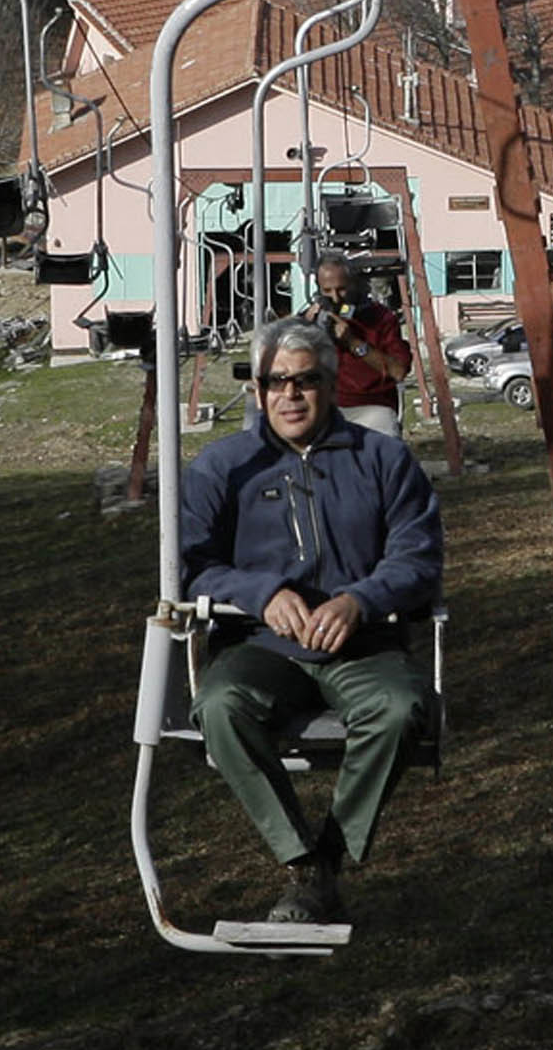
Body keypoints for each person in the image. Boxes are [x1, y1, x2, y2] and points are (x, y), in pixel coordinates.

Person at [178, 315, 444, 926]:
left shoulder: (383, 460)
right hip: (262, 645)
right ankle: (300, 860)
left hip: (361, 643)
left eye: (306, 381)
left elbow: (418, 554)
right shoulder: (224, 468)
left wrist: (361, 600)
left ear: (332, 383)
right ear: (256, 390)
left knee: (400, 709)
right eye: (277, 383)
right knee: (220, 706)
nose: (291, 396)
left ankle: (329, 856)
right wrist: (260, 592)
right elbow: (193, 565)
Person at [310, 246, 414, 438]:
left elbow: (398, 371)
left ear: (353, 284)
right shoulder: (311, 320)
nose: (335, 298)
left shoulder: (381, 318)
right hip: (325, 407)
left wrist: (354, 343)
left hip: (372, 406)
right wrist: (305, 330)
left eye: (341, 289)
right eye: (327, 291)